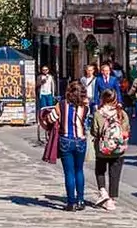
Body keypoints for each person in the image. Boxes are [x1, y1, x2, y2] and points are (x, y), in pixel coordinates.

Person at [47, 79, 90, 211]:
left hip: (66, 140)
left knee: (69, 172)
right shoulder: (85, 107)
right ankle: (81, 200)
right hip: (80, 140)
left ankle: (71, 202)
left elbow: (51, 118)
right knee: (79, 170)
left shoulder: (61, 105)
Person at [90, 87, 130, 209]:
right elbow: (126, 129)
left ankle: (103, 192)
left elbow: (95, 132)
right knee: (115, 174)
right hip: (118, 149)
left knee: (100, 171)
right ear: (115, 99)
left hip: (102, 149)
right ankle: (111, 200)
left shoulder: (98, 114)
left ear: (102, 99)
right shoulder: (121, 113)